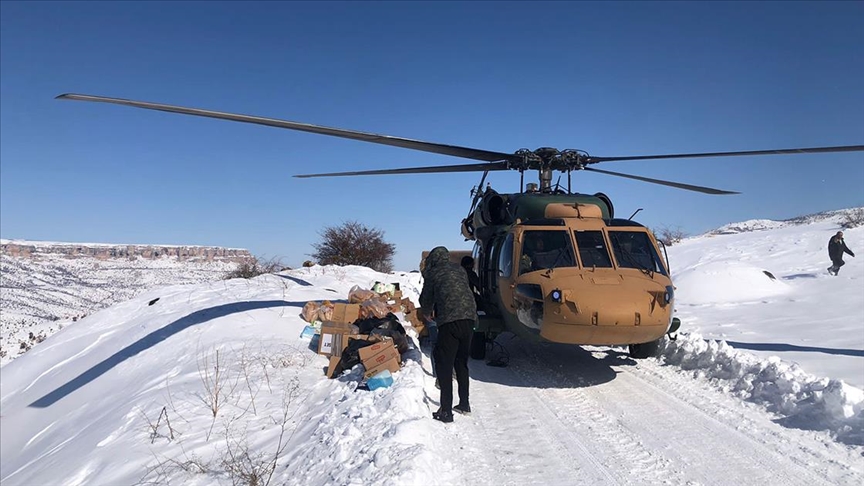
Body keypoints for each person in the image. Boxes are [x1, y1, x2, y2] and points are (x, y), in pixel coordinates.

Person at [420, 246, 477, 423]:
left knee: (444, 364)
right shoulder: (459, 269)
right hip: (469, 319)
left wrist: (427, 312)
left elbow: (425, 300)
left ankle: (446, 411)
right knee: (461, 362)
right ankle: (464, 404)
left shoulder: (433, 273)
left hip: (450, 321)